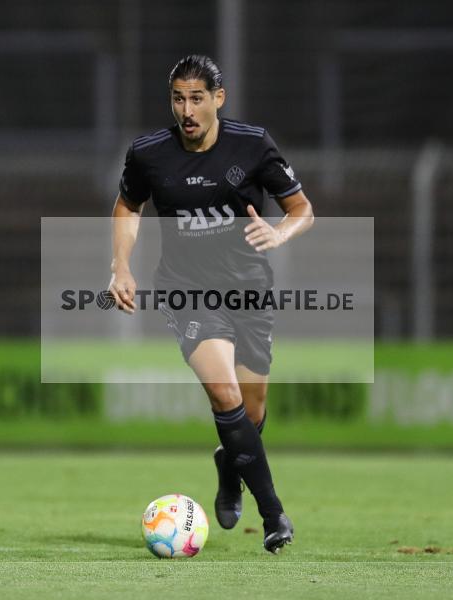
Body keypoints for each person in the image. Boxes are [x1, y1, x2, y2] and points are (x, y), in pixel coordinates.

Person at [108, 54, 314, 553]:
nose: (187, 110)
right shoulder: (149, 153)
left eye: (197, 98)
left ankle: (229, 465)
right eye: (178, 99)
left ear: (218, 98)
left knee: (252, 413)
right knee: (225, 393)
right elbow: (128, 206)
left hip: (249, 289)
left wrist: (279, 232)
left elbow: (302, 209)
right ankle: (274, 515)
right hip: (187, 290)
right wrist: (121, 266)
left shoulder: (252, 144)